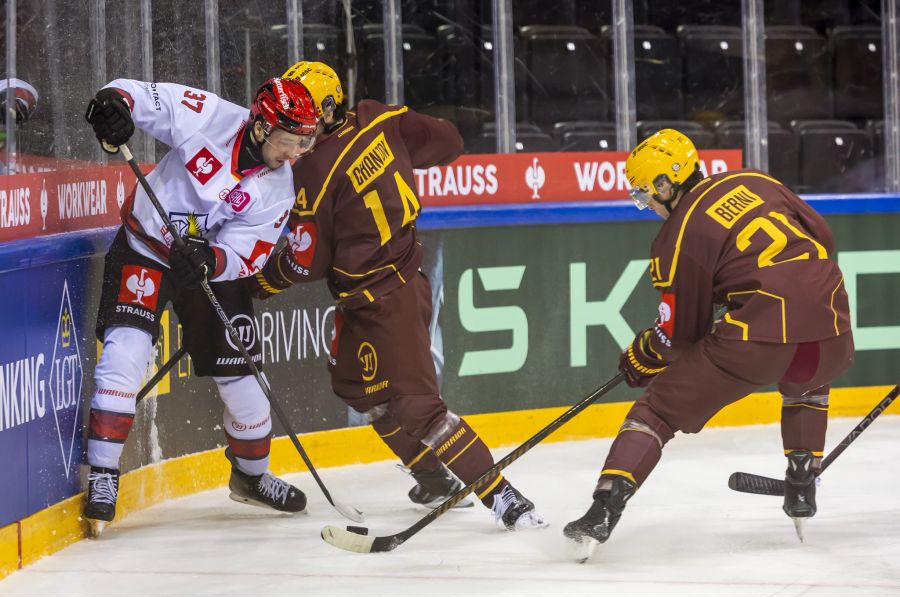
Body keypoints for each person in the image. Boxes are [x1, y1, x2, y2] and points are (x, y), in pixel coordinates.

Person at [249, 60, 547, 531]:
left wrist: (259, 283)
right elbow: (449, 140)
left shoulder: (313, 170)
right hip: (379, 289)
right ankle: (433, 478)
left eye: (307, 111)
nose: (299, 120)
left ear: (327, 109)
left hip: (390, 296)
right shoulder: (379, 117)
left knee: (418, 407)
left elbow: (308, 261)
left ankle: (505, 498)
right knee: (354, 385)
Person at [563, 129, 854, 559]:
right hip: (833, 326)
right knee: (808, 380)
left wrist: (643, 355)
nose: (649, 204)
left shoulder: (677, 235)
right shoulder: (757, 181)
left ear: (666, 184)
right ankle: (802, 477)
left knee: (656, 410)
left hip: (758, 338)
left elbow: (681, 335)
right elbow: (823, 238)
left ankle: (603, 508)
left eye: (647, 193)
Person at [82, 76, 319, 534]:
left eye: (302, 145)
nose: (294, 155)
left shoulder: (279, 188)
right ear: (259, 127)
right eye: (288, 142)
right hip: (145, 248)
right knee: (126, 354)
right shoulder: (210, 116)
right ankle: (104, 475)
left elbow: (247, 254)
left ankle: (251, 478)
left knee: (247, 382)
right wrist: (115, 105)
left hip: (208, 269)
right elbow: (137, 96)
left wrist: (212, 258)